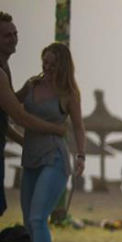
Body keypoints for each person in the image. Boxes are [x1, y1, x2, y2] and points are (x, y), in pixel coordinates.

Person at [12, 42, 84, 242]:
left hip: (54, 158)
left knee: (38, 216)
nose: (48, 67)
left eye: (53, 63)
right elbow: (11, 102)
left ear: (63, 65)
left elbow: (77, 126)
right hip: (30, 157)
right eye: (45, 62)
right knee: (27, 219)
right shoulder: (32, 85)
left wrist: (81, 155)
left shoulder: (68, 94)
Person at [0, 12, 67, 218]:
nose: (13, 39)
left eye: (15, 33)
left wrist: (26, 90)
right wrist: (56, 129)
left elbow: (3, 115)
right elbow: (20, 116)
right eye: (7, 35)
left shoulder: (5, 67)